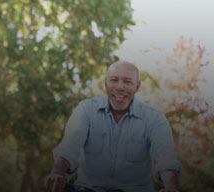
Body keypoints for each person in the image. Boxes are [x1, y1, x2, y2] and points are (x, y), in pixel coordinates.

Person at [45, 61, 181, 192]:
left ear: (137, 86)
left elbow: (165, 158)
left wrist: (171, 187)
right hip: (88, 189)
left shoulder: (154, 117)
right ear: (105, 83)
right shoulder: (86, 109)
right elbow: (69, 148)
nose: (120, 87)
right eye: (114, 80)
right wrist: (57, 172)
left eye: (127, 81)